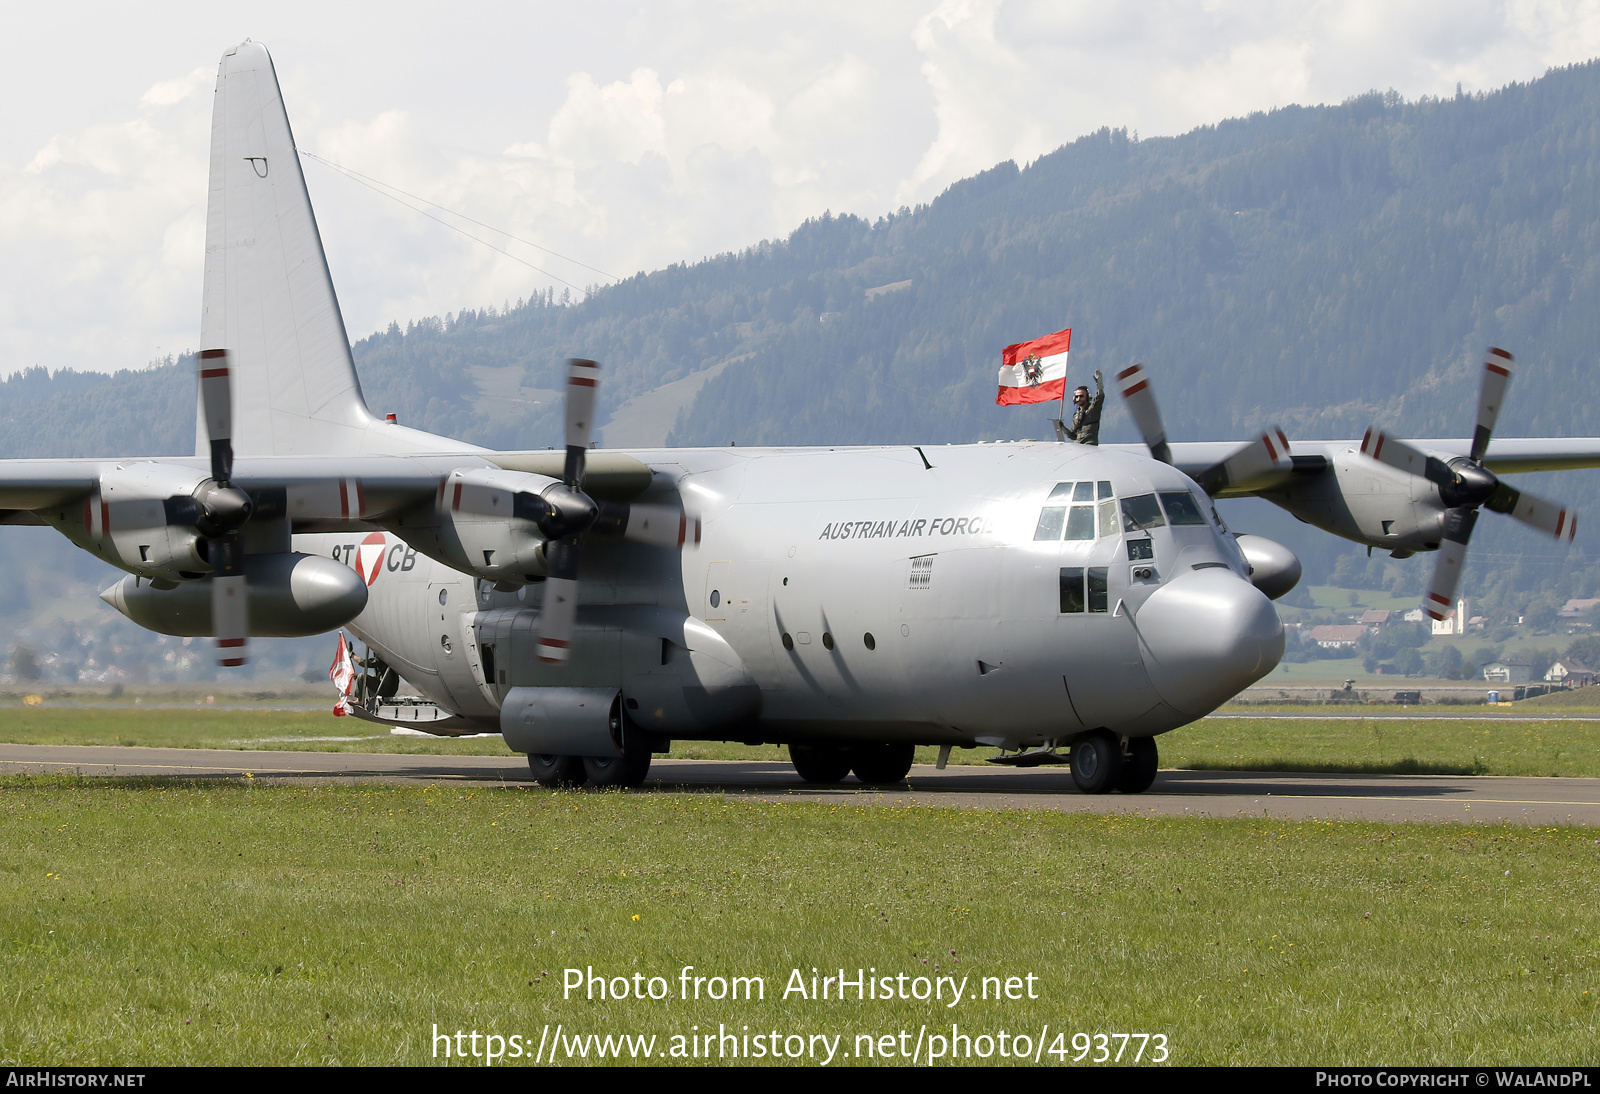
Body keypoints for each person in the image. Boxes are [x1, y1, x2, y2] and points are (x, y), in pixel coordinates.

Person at [1066, 369, 1104, 445]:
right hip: (1078, 445)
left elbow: (1099, 399)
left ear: (1088, 397)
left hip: (1089, 444)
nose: (1079, 399)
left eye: (1081, 396)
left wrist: (1099, 386)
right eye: (1077, 397)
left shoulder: (1093, 410)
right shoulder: (1076, 415)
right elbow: (1073, 435)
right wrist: (1062, 428)